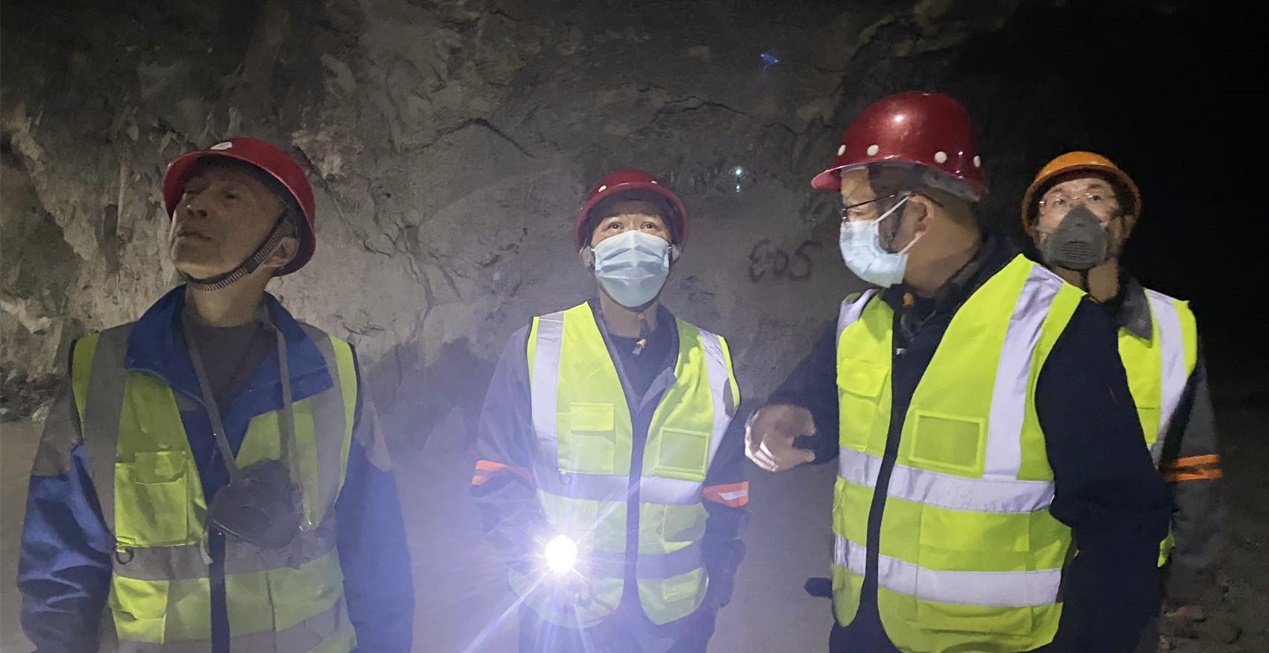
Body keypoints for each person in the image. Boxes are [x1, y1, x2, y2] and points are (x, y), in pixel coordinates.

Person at [744, 92, 1170, 653]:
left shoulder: (1055, 326)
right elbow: (826, 400)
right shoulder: (863, 316)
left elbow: (1122, 518)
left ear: (918, 213)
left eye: (857, 210)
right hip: (863, 632)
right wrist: (793, 412)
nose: (847, 227)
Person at [18, 137, 414, 653]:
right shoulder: (100, 370)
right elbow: (59, 567)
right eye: (193, 192)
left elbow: (377, 554)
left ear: (281, 249)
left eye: (230, 197)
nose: (195, 205)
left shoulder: (332, 371)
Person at [470, 169, 748, 653]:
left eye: (650, 226)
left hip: (674, 623)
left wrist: (713, 594)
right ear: (589, 253)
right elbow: (497, 476)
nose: (633, 238)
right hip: (563, 619)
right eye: (614, 226)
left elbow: (728, 495)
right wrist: (534, 562)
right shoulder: (537, 348)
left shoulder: (711, 361)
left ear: (671, 253)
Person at [1022, 151, 1224, 651]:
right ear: (1035, 230)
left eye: (1095, 197)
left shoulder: (1171, 325)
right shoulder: (998, 319)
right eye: (1058, 201)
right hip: (1014, 568)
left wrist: (1190, 570)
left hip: (1126, 573)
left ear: (1124, 223)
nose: (1077, 213)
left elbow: (1192, 460)